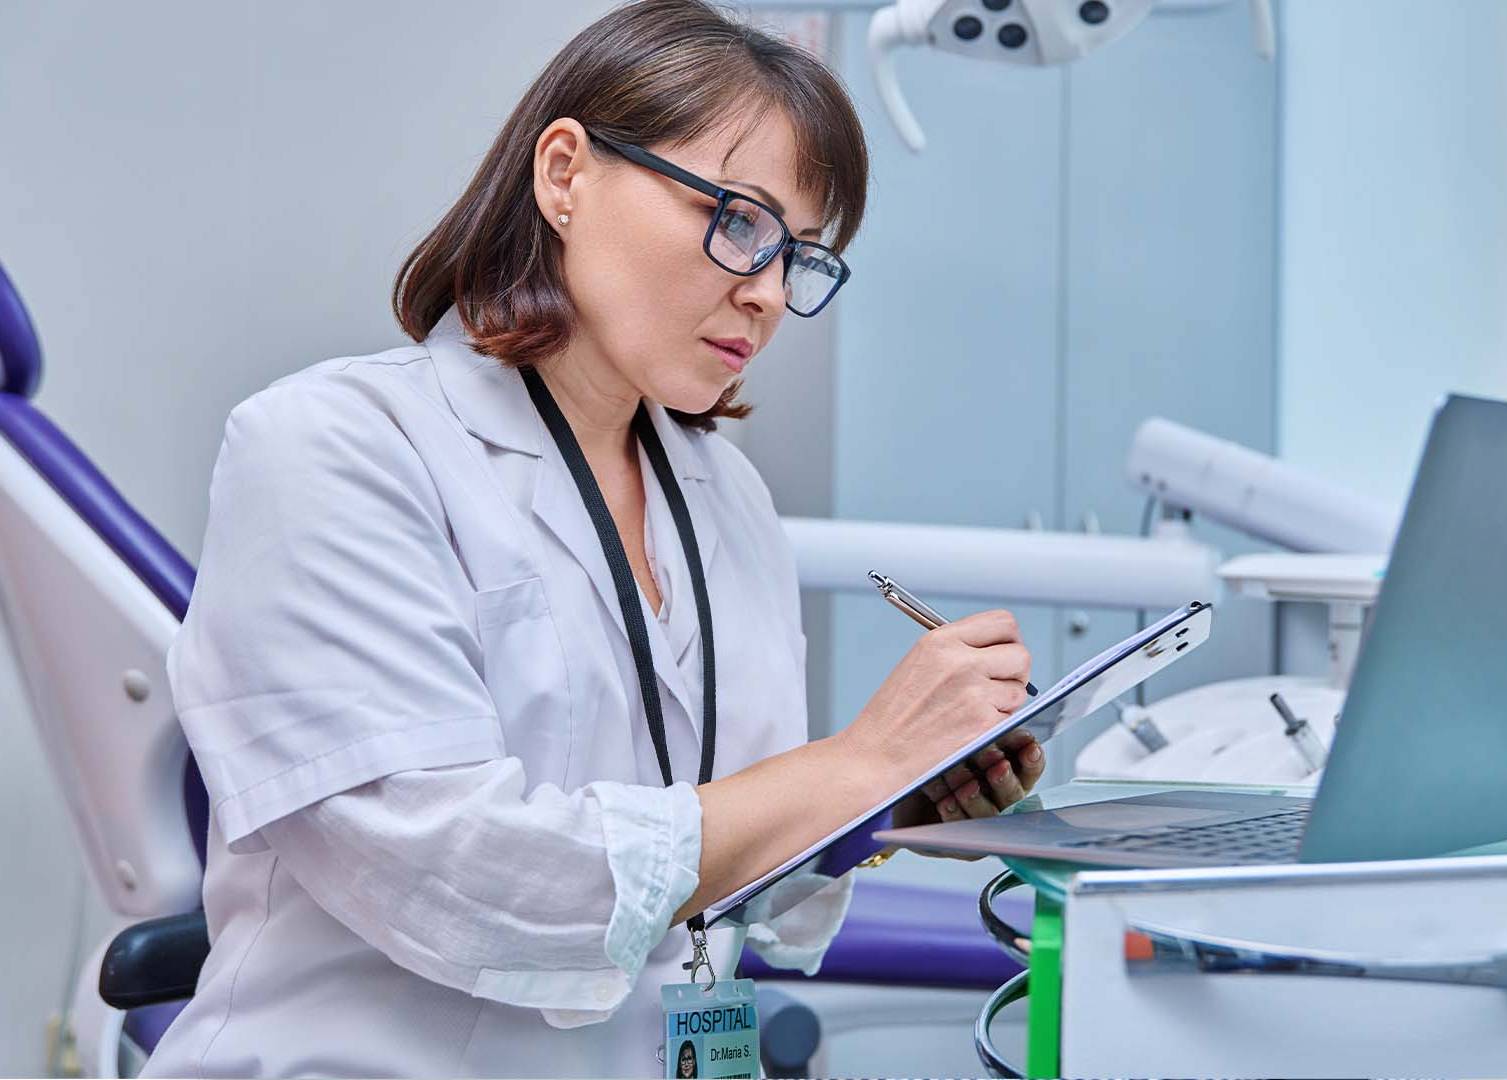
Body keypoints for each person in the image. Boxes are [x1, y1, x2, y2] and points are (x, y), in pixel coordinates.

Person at [143, 1, 1042, 1075]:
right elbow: (466, 880)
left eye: (797, 255)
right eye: (739, 220)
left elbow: (744, 880)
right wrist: (856, 763)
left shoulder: (728, 502)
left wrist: (883, 805)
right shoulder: (332, 447)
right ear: (565, 173)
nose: (763, 292)